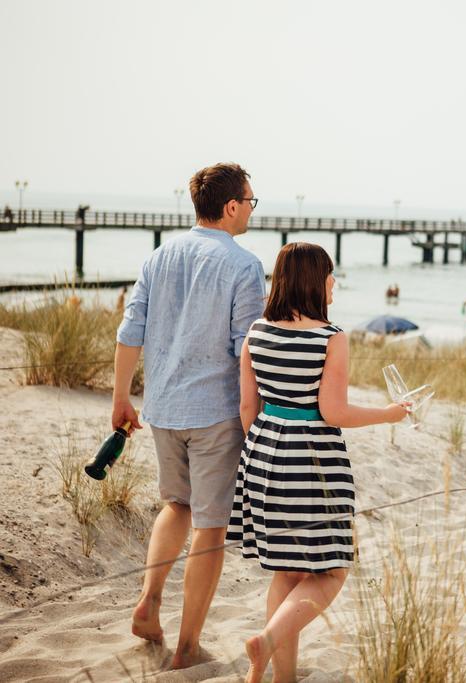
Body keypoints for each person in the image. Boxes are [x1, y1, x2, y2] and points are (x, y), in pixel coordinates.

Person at [228, 242, 409, 683]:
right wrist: (389, 413)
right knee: (331, 570)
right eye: (330, 275)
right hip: (312, 460)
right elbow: (334, 413)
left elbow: (247, 411)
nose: (334, 284)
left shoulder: (256, 332)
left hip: (263, 454)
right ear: (313, 280)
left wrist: (267, 447)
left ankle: (279, 676)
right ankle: (266, 641)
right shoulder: (331, 338)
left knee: (287, 571)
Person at [113, 163, 266, 668]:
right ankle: (186, 646)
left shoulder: (160, 256)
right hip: (215, 413)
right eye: (250, 201)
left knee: (176, 505)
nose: (251, 209)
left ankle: (149, 602)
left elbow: (129, 330)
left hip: (163, 407)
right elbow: (245, 351)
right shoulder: (243, 266)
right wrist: (255, 415)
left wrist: (121, 398)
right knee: (211, 527)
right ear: (230, 206)